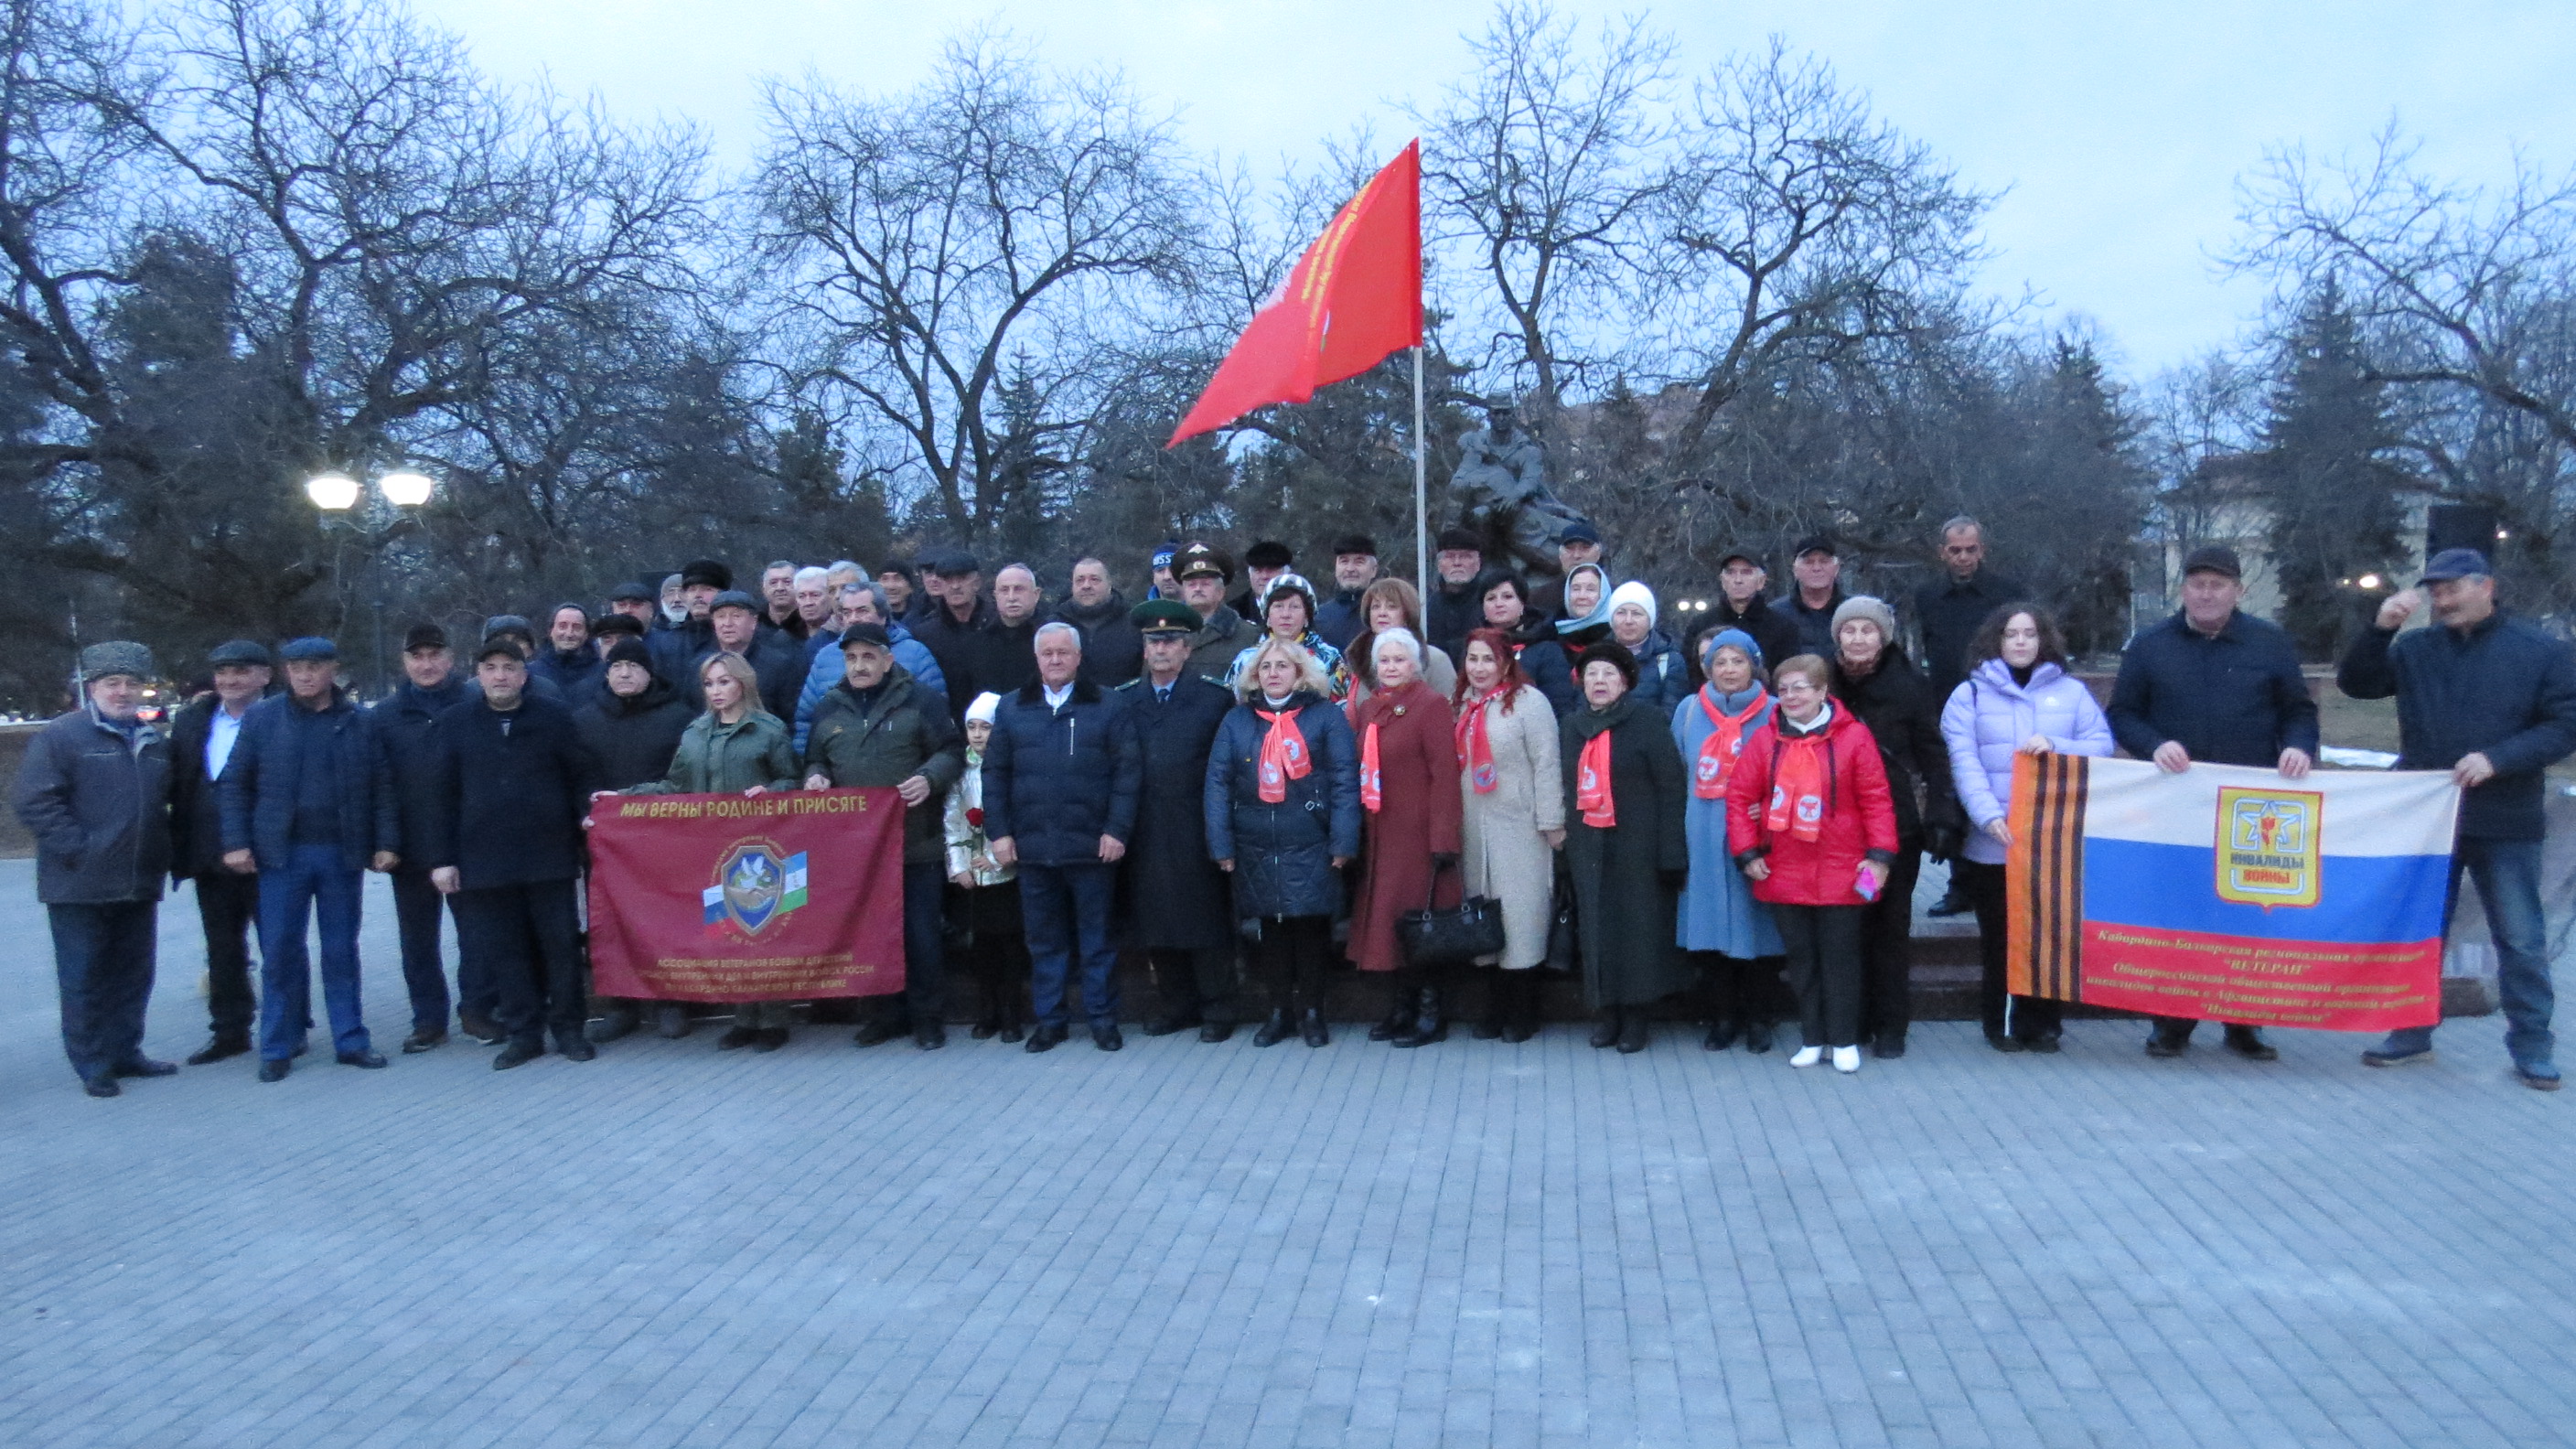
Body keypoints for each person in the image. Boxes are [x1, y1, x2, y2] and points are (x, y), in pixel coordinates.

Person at [2340, 548, 2576, 1089]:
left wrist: (2499, 759)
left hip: (2505, 818)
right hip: (2428, 819)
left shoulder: (2541, 652)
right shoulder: (2418, 648)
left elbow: (2565, 726)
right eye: (2435, 592)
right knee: (2420, 935)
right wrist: (2379, 631)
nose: (2441, 600)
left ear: (2485, 587)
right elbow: (2358, 685)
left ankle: (2532, 1044)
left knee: (2519, 938)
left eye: (2452, 589)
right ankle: (2411, 1032)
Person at [2108, 546, 2320, 1063]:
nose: (2207, 593)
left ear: (2238, 591)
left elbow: (2299, 710)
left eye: (2218, 585)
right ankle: (2173, 1022)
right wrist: (2153, 743)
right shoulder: (2151, 646)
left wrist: (2298, 745)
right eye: (2198, 584)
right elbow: (2123, 714)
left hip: (2251, 811)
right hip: (2174, 805)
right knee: (2180, 914)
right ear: (2184, 590)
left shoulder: (2268, 643)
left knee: (2246, 915)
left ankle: (2244, 1021)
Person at [220, 637, 399, 1081]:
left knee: (341, 949)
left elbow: (382, 786)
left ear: (332, 670)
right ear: (286, 672)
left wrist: (386, 841)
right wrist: (235, 841)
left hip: (341, 853)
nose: (305, 675)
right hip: (281, 855)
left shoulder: (360, 721)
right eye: (296, 667)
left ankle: (351, 1039)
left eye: (314, 666)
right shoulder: (264, 719)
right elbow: (235, 783)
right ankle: (277, 1044)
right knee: (280, 950)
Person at [1940, 604, 2113, 1053]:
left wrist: (2058, 743)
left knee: (2048, 933)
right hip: (1992, 841)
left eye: (2030, 634)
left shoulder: (2072, 694)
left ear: (2044, 640)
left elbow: (2101, 745)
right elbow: (1964, 762)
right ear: (1995, 640)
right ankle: (1999, 1022)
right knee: (2000, 937)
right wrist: (1987, 816)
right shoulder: (1969, 696)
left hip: (2052, 841)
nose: (2021, 642)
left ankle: (2042, 1022)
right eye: (2011, 634)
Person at [617, 650, 806, 1050]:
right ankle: (742, 1017)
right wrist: (620, 799)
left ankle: (773, 1018)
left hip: (762, 849)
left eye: (724, 681)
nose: (716, 691)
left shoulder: (769, 730)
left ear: (743, 683)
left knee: (764, 929)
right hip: (713, 850)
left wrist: (771, 791)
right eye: (709, 683)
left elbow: (793, 780)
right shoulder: (695, 733)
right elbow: (674, 786)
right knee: (728, 932)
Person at [430, 638, 602, 1070]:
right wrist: (442, 858)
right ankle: (523, 1033)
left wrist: (586, 813)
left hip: (549, 855)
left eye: (510, 667)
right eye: (491, 668)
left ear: (525, 675)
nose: (501, 676)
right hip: (484, 859)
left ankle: (569, 1029)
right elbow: (439, 796)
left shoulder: (554, 717)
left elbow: (580, 774)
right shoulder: (454, 723)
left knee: (560, 946)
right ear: (478, 675)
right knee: (506, 950)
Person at [14, 642, 177, 1097]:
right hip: (79, 883)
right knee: (85, 976)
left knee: (133, 972)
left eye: (132, 684)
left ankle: (126, 1051)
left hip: (138, 880)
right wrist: (79, 850)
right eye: (112, 683)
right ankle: (92, 1062)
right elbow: (35, 801)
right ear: (92, 687)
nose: (123, 692)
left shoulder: (152, 740)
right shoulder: (62, 737)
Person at [1728, 653, 1899, 1074]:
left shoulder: (1854, 737)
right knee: (1801, 958)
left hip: (1842, 867)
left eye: (1800, 687)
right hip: (1784, 865)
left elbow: (1877, 800)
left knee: (1840, 957)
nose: (1790, 696)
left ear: (1823, 691)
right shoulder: (1766, 741)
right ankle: (1812, 1037)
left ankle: (1843, 1038)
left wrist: (1879, 857)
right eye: (1783, 689)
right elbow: (1739, 798)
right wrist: (1747, 852)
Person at [982, 622, 1143, 1052]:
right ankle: (1050, 1022)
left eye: (1063, 652)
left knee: (1097, 942)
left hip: (1093, 847)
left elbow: (1128, 775)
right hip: (1034, 849)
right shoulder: (1012, 708)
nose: (1055, 660)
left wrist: (1116, 830)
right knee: (1045, 943)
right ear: (1036, 659)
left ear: (1078, 657)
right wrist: (999, 833)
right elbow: (994, 775)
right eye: (1047, 653)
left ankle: (1103, 1020)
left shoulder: (1109, 705)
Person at [802, 623, 964, 1050]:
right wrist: (816, 776)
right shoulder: (828, 708)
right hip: (856, 852)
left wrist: (930, 777)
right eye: (852, 657)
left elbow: (952, 750)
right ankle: (882, 1016)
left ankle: (927, 1019)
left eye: (868, 656)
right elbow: (815, 758)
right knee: (868, 936)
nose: (859, 665)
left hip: (915, 843)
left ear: (888, 660)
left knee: (921, 937)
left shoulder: (921, 701)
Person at [1205, 635, 1362, 1047]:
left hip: (1310, 841)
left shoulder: (1325, 716)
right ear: (1255, 675)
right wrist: (1221, 845)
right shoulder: (1237, 720)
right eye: (1266, 667)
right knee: (1271, 932)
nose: (1274, 674)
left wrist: (1343, 841)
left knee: (1310, 930)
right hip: (1256, 843)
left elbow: (1346, 781)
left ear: (1300, 672)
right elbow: (1218, 784)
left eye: (1283, 666)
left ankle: (1312, 1012)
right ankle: (1279, 1012)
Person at [1828, 596, 1962, 1059]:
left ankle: (1890, 1025)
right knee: (1849, 927)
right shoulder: (1823, 685)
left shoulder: (1909, 686)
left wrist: (1943, 813)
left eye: (1868, 630)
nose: (1859, 639)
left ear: (1882, 636)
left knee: (1887, 925)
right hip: (1836, 830)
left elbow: (1933, 753)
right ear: (1838, 637)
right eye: (1850, 630)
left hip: (1891, 831)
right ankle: (1854, 1018)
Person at [1117, 600, 1240, 1041]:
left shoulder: (1213, 698)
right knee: (1156, 918)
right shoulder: (1125, 699)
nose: (1161, 649)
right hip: (1146, 825)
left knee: (1204, 918)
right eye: (1154, 642)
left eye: (1170, 641)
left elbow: (1228, 767)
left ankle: (1219, 1008)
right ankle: (1177, 1004)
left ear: (1187, 649)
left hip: (1197, 825)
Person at [1559, 641, 1690, 1052]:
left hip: (1639, 845)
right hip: (1588, 844)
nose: (1599, 682)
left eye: (1609, 675)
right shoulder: (1572, 725)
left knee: (1638, 931)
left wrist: (1671, 852)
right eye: (1592, 674)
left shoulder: (1647, 721)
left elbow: (1671, 787)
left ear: (1626, 682)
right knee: (1596, 930)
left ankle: (1636, 1016)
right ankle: (1607, 1011)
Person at [571, 636, 695, 1043]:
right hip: (606, 846)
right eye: (616, 667)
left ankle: (670, 1001)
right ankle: (621, 1004)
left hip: (664, 842)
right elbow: (574, 779)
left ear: (649, 673)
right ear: (606, 674)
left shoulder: (679, 716)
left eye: (633, 667)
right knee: (612, 924)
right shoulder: (585, 719)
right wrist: (583, 814)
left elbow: (685, 777)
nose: (624, 673)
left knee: (666, 921)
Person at [1347, 629, 1466, 1046]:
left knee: (1421, 924)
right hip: (1380, 832)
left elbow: (1445, 774)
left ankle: (1432, 1013)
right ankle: (1401, 1008)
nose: (1392, 667)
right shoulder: (1369, 708)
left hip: (1416, 835)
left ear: (1416, 664)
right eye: (1385, 660)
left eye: (1400, 660)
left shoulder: (1430, 705)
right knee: (1389, 925)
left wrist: (1443, 837)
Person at [1672, 629, 1785, 1052]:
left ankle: (1759, 1017)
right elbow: (1676, 770)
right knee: (1711, 931)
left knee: (1758, 927)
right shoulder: (1687, 711)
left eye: (1738, 661)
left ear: (1754, 665)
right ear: (1708, 669)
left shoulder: (1774, 711)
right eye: (1720, 662)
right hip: (1701, 832)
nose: (1729, 670)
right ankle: (1723, 1017)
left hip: (1758, 836)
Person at [1453, 628, 1564, 1041]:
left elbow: (1547, 764)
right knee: (1483, 921)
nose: (1479, 668)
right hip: (1472, 827)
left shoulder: (1530, 704)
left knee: (1521, 920)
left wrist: (1552, 823)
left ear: (1505, 662)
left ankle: (1523, 1013)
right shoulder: (1460, 704)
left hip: (1519, 827)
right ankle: (1493, 1009)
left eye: (1487, 659)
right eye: (1472, 659)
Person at [167, 639, 272, 1065]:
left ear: (264, 675)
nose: (230, 680)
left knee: (279, 946)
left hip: (268, 855)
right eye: (222, 672)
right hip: (209, 855)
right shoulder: (194, 720)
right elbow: (181, 781)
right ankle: (229, 1031)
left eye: (241, 671)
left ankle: (289, 1026)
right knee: (222, 948)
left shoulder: (281, 717)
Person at [372, 626, 478, 1049]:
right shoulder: (385, 715)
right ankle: (428, 1019)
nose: (427, 664)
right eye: (418, 656)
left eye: (435, 655)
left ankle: (477, 1010)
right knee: (417, 940)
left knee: (475, 935)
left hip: (465, 842)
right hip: (410, 846)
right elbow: (379, 784)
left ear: (451, 659)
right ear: (405, 662)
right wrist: (384, 842)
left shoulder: (473, 703)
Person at [946, 692, 1030, 1041]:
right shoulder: (960, 772)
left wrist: (997, 857)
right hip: (973, 877)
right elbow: (952, 819)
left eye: (986, 727)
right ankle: (987, 1012)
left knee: (1010, 945)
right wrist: (958, 865)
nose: (978, 735)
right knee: (981, 949)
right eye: (972, 727)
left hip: (1007, 873)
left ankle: (1012, 1014)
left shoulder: (1013, 768)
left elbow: (1022, 817)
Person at [794, 581, 946, 751]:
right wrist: (810, 768)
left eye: (862, 611)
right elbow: (805, 721)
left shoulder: (915, 653)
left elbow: (937, 717)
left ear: (883, 615)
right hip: (837, 766)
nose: (853, 619)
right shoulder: (825, 657)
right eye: (847, 612)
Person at [1914, 516, 2027, 704]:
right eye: (1955, 550)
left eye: (1970, 549)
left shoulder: (2009, 594)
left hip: (1996, 697)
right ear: (1943, 552)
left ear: (1981, 550)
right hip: (1944, 697)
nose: (1963, 557)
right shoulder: (1926, 595)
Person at [1686, 550, 1799, 687]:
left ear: (1761, 581)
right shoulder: (1701, 625)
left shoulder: (1783, 627)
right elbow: (1690, 675)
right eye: (1731, 572)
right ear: (1722, 580)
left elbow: (1788, 676)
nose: (1738, 580)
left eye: (1746, 572)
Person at [1224, 574, 1347, 698]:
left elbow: (1341, 706)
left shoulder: (1329, 658)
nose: (1286, 614)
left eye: (1295, 607)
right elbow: (1232, 704)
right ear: (1267, 617)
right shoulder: (1246, 660)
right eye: (1278, 606)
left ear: (1307, 617)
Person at [686, 589, 803, 718]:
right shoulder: (699, 666)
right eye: (721, 616)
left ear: (753, 622)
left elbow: (790, 717)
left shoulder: (779, 665)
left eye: (736, 616)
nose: (727, 623)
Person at [1476, 571, 1577, 715]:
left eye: (1507, 597)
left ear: (1522, 603)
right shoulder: (1472, 647)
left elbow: (1560, 706)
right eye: (1491, 598)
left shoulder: (1547, 649)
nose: (1499, 604)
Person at [1346, 577, 1457, 707]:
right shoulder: (1357, 659)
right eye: (1375, 607)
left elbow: (1448, 713)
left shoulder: (1435, 660)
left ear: (1407, 613)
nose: (1382, 613)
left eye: (1391, 607)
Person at [1173, 544, 1263, 683]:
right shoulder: (1168, 634)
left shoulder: (1248, 636)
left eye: (1205, 583)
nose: (1198, 589)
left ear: (1221, 591)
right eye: (1191, 584)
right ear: (1183, 591)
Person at [1051, 555, 1143, 687]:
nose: (1086, 586)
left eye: (1094, 580)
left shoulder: (1134, 623)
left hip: (1122, 704)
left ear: (1109, 584)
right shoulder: (1054, 625)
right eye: (1080, 580)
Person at [969, 563, 1047, 700]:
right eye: (1004, 590)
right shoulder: (978, 640)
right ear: (995, 596)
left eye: (1019, 589)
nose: (1011, 597)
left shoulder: (1052, 638)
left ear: (1036, 594)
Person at [1607, 581, 1685, 714]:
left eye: (1637, 613)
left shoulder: (1669, 661)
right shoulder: (1595, 656)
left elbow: (1670, 712)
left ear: (1650, 620)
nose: (1628, 620)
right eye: (1621, 613)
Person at [647, 558, 729, 679]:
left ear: (723, 593)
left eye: (707, 589)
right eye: (692, 589)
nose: (698, 595)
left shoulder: (739, 637)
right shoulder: (667, 644)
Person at [1778, 536, 1849, 659]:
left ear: (1836, 568)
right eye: (1808, 562)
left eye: (1824, 561)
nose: (1817, 568)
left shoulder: (1853, 611)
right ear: (1795, 570)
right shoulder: (1776, 614)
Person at [1425, 526, 1487, 660]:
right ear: (1439, 564)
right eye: (1450, 556)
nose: (1457, 563)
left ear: (1478, 564)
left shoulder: (1489, 602)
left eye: (1465, 557)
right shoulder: (1427, 606)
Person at [1313, 533, 1381, 649]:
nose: (1350, 569)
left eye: (1359, 562)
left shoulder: (1385, 614)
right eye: (1344, 561)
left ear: (1374, 570)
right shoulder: (1320, 616)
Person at [1529, 520, 1607, 620]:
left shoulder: (1618, 597)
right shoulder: (1538, 599)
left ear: (1598, 553)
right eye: (1570, 548)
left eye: (1585, 548)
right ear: (1560, 555)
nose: (1576, 555)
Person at [530, 604, 601, 696]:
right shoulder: (531, 672)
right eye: (562, 626)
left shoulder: (602, 673)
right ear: (551, 631)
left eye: (577, 627)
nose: (569, 634)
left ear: (586, 634)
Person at [1229, 539, 1294, 622]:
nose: (1264, 576)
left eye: (1271, 570)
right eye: (1257, 570)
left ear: (1287, 573)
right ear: (1250, 574)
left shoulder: (1304, 608)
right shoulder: (1234, 613)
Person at [789, 566, 838, 657]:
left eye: (815, 595)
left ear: (830, 595)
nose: (808, 603)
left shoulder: (841, 634)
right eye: (801, 596)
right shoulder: (786, 635)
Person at [758, 560, 806, 641]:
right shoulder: (754, 621)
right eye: (773, 583)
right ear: (763, 588)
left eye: (787, 582)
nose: (780, 588)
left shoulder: (809, 621)